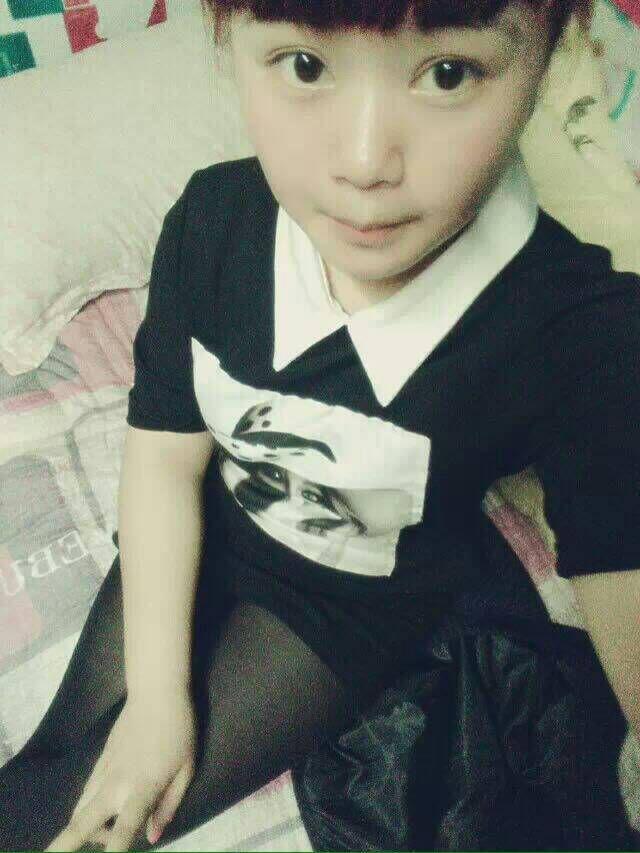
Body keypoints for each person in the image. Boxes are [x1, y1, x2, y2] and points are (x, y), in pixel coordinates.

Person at [1, 0, 639, 849]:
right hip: (202, 521)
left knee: (87, 824)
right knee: (53, 772)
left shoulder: (579, 329)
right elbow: (163, 459)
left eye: (449, 73)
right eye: (305, 66)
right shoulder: (213, 222)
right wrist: (156, 699)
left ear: (558, 49)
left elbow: (620, 558)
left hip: (338, 612)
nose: (364, 162)